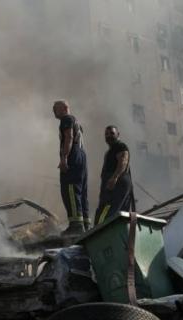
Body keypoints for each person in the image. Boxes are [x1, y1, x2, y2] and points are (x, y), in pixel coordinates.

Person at [53, 100, 90, 235]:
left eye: (55, 108)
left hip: (73, 156)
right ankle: (85, 224)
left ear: (64, 108)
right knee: (81, 191)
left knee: (70, 189)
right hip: (81, 157)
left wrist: (64, 159)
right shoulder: (77, 122)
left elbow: (68, 137)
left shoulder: (66, 119)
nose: (53, 111)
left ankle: (76, 225)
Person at [94, 125, 134, 225]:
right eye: (106, 134)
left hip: (117, 182)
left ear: (118, 134)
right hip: (117, 182)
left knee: (106, 209)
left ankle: (98, 232)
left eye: (112, 133)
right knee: (118, 212)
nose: (109, 136)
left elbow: (123, 162)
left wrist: (114, 178)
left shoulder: (120, 146)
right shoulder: (110, 151)